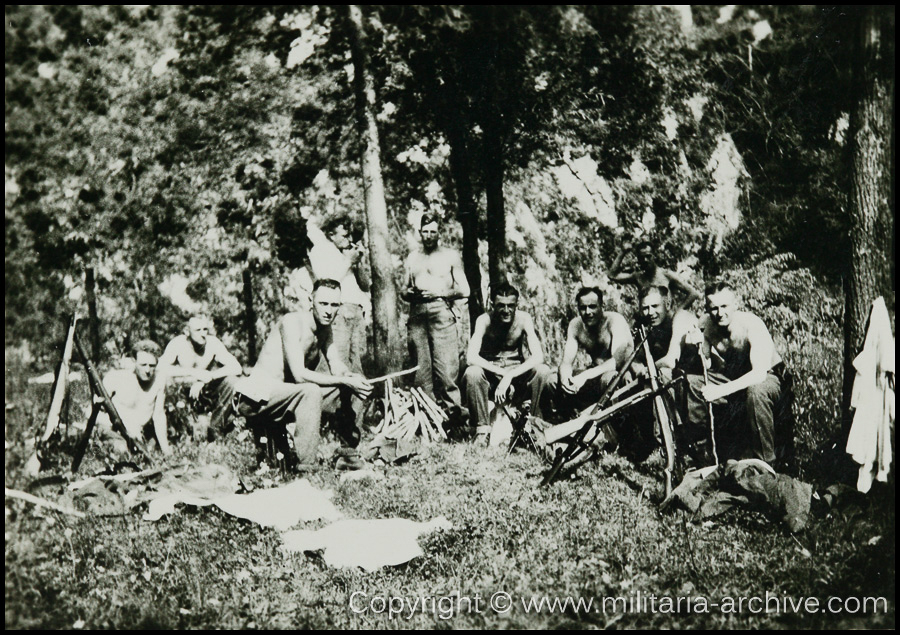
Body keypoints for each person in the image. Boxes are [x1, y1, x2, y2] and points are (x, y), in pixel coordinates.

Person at [235, 279, 373, 467]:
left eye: (334, 305)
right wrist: (343, 380)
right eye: (323, 303)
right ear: (310, 301)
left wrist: (350, 377)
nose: (328, 310)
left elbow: (336, 363)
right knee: (311, 391)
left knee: (356, 386)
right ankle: (307, 468)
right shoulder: (292, 322)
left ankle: (348, 454)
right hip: (259, 397)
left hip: (290, 395)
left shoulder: (325, 330)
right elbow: (299, 374)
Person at [682, 281, 790, 464]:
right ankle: (702, 450)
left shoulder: (752, 325)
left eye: (724, 306)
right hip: (734, 376)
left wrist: (720, 391)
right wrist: (694, 346)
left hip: (768, 377)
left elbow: (759, 374)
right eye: (713, 308)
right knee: (693, 382)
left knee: (755, 392)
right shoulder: (706, 323)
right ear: (707, 308)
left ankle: (765, 463)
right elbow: (706, 364)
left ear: (735, 305)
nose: (720, 313)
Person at [402, 212, 470, 424]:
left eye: (433, 231)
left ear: (438, 232)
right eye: (425, 232)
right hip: (417, 313)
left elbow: (464, 289)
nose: (429, 236)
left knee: (447, 370)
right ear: (419, 232)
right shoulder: (413, 257)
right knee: (421, 372)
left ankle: (456, 420)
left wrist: (440, 293)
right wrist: (408, 293)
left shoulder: (450, 256)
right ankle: (430, 421)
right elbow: (403, 290)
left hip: (441, 312)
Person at [284, 218, 371, 373]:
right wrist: (348, 262)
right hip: (337, 311)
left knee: (359, 363)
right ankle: (331, 397)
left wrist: (358, 263)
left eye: (350, 235)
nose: (349, 239)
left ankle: (357, 397)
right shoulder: (321, 250)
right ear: (331, 235)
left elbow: (365, 285)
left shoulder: (347, 252)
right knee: (338, 361)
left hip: (356, 311)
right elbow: (324, 287)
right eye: (345, 235)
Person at [463, 283, 553, 429]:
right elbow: (471, 357)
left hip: (516, 373)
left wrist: (510, 375)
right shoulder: (484, 320)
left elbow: (538, 356)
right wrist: (503, 373)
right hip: (491, 372)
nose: (506, 310)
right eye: (501, 306)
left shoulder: (524, 319)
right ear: (492, 305)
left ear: (517, 304)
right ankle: (481, 429)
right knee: (472, 372)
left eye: (511, 305)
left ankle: (535, 425)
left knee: (542, 371)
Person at [552, 286, 634, 414]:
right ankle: (559, 421)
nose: (588, 312)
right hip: (594, 374)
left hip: (619, 375)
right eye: (583, 308)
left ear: (602, 306)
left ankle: (617, 426)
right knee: (551, 380)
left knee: (610, 378)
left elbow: (616, 362)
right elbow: (566, 362)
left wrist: (584, 376)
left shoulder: (615, 321)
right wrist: (565, 379)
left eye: (592, 306)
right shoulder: (576, 325)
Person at [159, 315, 242, 439]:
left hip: (205, 390)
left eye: (205, 329)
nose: (203, 334)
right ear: (187, 332)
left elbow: (237, 367)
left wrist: (209, 377)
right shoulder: (177, 343)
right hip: (182, 390)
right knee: (165, 381)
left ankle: (216, 427)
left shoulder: (213, 343)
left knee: (232, 381)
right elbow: (160, 368)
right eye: (198, 330)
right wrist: (194, 373)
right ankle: (176, 429)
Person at [98, 340, 171, 456]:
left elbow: (159, 415)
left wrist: (166, 450)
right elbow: (98, 410)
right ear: (134, 361)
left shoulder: (159, 381)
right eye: (143, 365)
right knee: (121, 450)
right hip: (113, 429)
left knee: (147, 451)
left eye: (152, 366)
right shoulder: (116, 378)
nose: (147, 370)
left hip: (138, 433)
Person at [609, 237, 702, 310]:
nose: (645, 260)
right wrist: (623, 251)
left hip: (666, 323)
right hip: (647, 321)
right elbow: (612, 275)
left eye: (648, 256)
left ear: (654, 256)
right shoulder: (638, 277)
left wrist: (678, 313)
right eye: (642, 258)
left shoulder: (666, 275)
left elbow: (693, 293)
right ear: (638, 259)